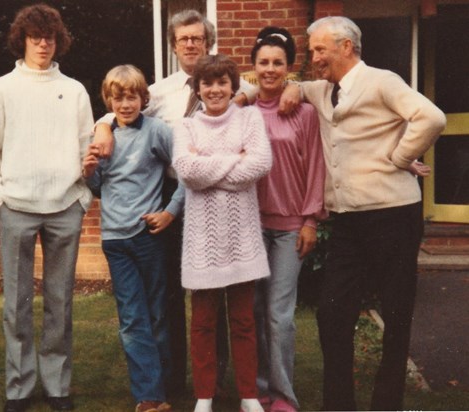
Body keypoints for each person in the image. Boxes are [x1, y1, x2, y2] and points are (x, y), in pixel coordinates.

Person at [93, 9, 257, 396]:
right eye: (183, 39)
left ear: (208, 42)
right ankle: (172, 381)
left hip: (214, 194)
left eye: (197, 38)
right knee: (167, 293)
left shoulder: (231, 84)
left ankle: (212, 383)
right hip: (168, 196)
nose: (190, 44)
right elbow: (123, 110)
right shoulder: (162, 90)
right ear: (173, 44)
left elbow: (272, 84)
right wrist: (101, 125)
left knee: (212, 289)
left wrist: (265, 90)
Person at [287, 16, 446, 410]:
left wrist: (400, 155)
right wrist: (252, 94)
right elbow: (270, 85)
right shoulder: (323, 90)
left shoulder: (382, 80)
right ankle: (339, 405)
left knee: (395, 312)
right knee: (331, 313)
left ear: (347, 47)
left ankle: (387, 403)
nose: (315, 57)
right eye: (312, 51)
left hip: (392, 215)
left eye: (321, 49)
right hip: (346, 221)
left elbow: (432, 117)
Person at [0, 4, 94, 412]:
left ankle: (57, 386)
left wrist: (83, 198)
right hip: (16, 209)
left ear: (58, 41)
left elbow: (87, 151)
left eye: (50, 37)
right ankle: (19, 389)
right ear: (21, 40)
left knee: (60, 303)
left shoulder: (74, 90)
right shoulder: (1, 89)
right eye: (35, 36)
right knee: (17, 305)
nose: (43, 43)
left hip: (65, 208)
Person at [172, 54, 272, 412]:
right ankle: (204, 396)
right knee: (202, 324)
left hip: (243, 237)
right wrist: (234, 158)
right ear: (198, 89)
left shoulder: (250, 117)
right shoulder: (186, 127)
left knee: (244, 321)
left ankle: (248, 395)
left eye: (222, 83)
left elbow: (260, 163)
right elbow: (186, 171)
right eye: (208, 84)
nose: (215, 90)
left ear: (233, 86)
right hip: (202, 241)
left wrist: (208, 166)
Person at [82, 64, 183, 412]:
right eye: (118, 97)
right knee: (130, 319)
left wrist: (169, 210)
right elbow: (99, 187)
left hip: (148, 235)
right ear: (108, 100)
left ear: (143, 98)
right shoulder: (102, 136)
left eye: (132, 97)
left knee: (157, 313)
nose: (125, 104)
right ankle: (148, 394)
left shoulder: (157, 131)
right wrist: (90, 173)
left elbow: (186, 173)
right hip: (114, 239)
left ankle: (163, 387)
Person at [250, 27, 326, 412]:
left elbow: (315, 167)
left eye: (278, 63)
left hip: (290, 228)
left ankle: (283, 395)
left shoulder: (304, 112)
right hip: (250, 226)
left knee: (279, 314)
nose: (270, 69)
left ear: (288, 68)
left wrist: (311, 220)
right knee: (255, 310)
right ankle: (260, 389)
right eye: (263, 62)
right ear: (253, 67)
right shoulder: (242, 111)